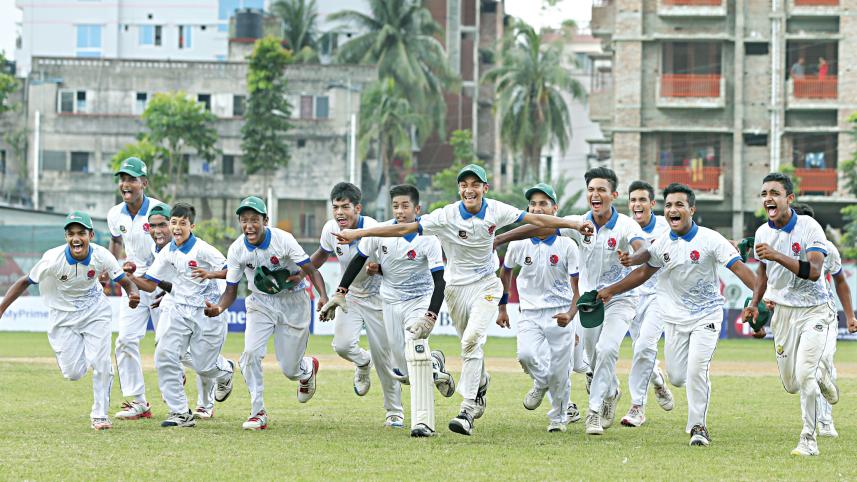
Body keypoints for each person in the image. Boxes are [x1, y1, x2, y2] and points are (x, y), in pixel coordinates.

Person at [332, 164, 594, 436]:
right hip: (456, 289)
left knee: (472, 341)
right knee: (466, 346)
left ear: (484, 188)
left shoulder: (496, 209)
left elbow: (536, 221)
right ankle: (480, 383)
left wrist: (573, 223)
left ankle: (467, 409)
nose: (469, 189)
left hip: (486, 285)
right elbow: (402, 229)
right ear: (460, 190)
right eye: (464, 185)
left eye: (475, 184)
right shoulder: (446, 215)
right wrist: (358, 234)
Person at [598, 183, 756, 446]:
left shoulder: (711, 239)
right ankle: (664, 382)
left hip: (706, 316)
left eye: (679, 204)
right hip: (673, 319)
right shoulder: (661, 244)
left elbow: (742, 270)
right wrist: (611, 291)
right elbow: (642, 272)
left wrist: (762, 298)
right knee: (678, 377)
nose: (673, 209)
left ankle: (698, 427)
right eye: (669, 205)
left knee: (696, 371)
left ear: (691, 209)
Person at [496, 167, 647, 436]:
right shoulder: (578, 223)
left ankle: (593, 412)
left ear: (613, 194)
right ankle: (611, 391)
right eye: (591, 189)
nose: (595, 194)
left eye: (601, 189)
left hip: (620, 298)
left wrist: (632, 259)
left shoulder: (626, 225)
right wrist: (502, 238)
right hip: (589, 302)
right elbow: (542, 224)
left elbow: (642, 249)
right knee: (591, 356)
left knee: (608, 349)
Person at [322, 184, 455, 437]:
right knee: (402, 371)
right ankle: (436, 365)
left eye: (406, 206)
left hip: (419, 299)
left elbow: (440, 281)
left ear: (417, 209)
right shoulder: (380, 232)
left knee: (414, 350)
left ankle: (422, 422)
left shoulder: (428, 238)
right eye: (396, 206)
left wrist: (430, 316)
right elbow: (358, 260)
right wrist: (340, 292)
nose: (400, 211)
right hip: (390, 301)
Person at [0, 211, 141, 430]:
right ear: (66, 237)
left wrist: (134, 293)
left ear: (91, 235)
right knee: (73, 373)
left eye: (81, 233)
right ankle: (91, 359)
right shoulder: (52, 259)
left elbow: (124, 280)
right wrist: (1, 309)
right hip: (63, 315)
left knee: (101, 362)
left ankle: (100, 415)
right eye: (71, 234)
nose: (76, 238)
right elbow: (24, 281)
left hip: (96, 311)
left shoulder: (102, 255)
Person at [203, 196, 327, 430]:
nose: (249, 225)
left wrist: (323, 296)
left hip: (294, 301)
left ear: (265, 220)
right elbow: (231, 290)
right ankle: (257, 412)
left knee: (290, 369)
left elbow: (310, 269)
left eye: (254, 220)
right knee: (249, 354)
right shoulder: (237, 249)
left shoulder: (283, 240)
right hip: (260, 302)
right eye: (244, 220)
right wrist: (218, 308)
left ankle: (306, 369)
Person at [743, 173, 839, 456]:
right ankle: (823, 375)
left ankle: (808, 439)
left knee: (804, 374)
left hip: (815, 311)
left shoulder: (810, 227)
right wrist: (754, 301)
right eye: (764, 194)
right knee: (791, 384)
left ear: (789, 199)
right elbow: (762, 271)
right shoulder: (762, 232)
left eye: (774, 192)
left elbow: (814, 272)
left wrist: (776, 255)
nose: (768, 198)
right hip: (783, 314)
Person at [131, 202, 236, 428]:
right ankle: (179, 412)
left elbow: (232, 271)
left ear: (192, 225)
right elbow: (150, 285)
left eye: (182, 223)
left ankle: (225, 370)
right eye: (174, 222)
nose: (177, 227)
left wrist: (211, 274)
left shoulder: (203, 249)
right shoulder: (167, 252)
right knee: (164, 356)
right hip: (179, 310)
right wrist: (125, 276)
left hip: (207, 312)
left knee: (203, 367)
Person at [309, 182, 403, 428]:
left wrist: (379, 269)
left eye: (345, 207)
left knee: (384, 358)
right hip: (349, 295)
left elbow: (394, 265)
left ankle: (394, 411)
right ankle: (363, 362)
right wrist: (300, 273)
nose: (340, 213)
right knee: (341, 346)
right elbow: (320, 255)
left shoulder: (374, 229)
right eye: (336, 207)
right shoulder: (331, 228)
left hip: (378, 298)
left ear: (357, 208)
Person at [496, 183, 580, 433]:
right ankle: (541, 383)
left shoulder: (567, 246)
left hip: (560, 313)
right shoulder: (518, 244)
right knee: (526, 356)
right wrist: (502, 307)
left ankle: (558, 418)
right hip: (529, 313)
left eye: (543, 204)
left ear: (555, 209)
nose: (537, 208)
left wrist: (571, 314)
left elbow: (578, 288)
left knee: (560, 370)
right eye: (533, 204)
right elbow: (506, 272)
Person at [779, 203, 856, 439]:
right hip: (792, 314)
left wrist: (850, 315)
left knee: (819, 364)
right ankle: (816, 415)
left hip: (823, 314)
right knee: (799, 376)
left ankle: (823, 422)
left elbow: (841, 281)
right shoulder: (780, 244)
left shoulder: (826, 248)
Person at [107, 157, 164, 421]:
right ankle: (139, 402)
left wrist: (167, 284)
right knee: (126, 340)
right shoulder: (114, 214)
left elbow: (173, 246)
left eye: (131, 179)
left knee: (173, 347)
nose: (126, 184)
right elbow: (116, 241)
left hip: (163, 284)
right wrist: (112, 269)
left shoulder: (159, 210)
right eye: (123, 179)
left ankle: (218, 376)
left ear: (144, 182)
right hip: (133, 284)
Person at [619, 181, 674, 428]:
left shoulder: (666, 226)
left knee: (644, 346)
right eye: (633, 200)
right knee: (641, 350)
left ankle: (637, 407)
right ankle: (657, 380)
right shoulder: (623, 227)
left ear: (652, 204)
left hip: (659, 296)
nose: (636, 205)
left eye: (642, 200)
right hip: (632, 296)